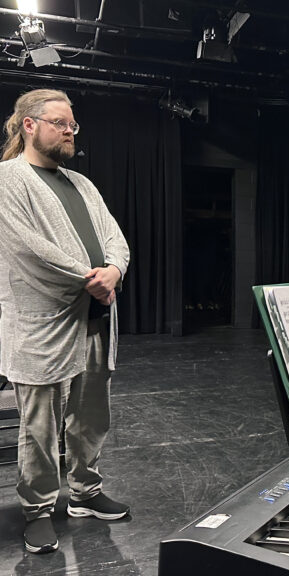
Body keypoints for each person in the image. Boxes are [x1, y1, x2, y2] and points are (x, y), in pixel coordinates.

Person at [0, 89, 131, 554]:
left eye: (72, 125)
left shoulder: (82, 184)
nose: (69, 131)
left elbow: (115, 237)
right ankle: (37, 508)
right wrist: (91, 279)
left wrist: (113, 270)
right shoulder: (9, 179)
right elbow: (27, 249)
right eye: (59, 123)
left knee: (92, 416)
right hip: (43, 326)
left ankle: (85, 493)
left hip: (96, 320)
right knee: (39, 427)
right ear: (30, 125)